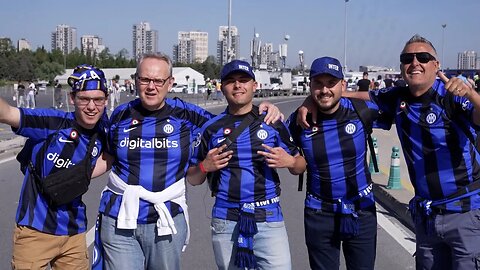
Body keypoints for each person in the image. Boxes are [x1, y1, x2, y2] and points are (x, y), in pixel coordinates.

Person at [299, 34, 480, 270]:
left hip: (464, 214)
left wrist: (472, 95)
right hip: (426, 216)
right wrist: (314, 98)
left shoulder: (451, 96)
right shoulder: (397, 98)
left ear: (436, 65)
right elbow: (364, 97)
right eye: (408, 58)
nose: (415, 63)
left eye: (423, 57)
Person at [92, 53, 282, 270]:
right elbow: (106, 157)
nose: (151, 87)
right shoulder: (120, 115)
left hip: (166, 219)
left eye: (158, 81)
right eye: (145, 80)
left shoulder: (187, 114)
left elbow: (231, 121)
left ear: (170, 82)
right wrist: (73, 175)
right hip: (119, 218)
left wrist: (262, 108)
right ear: (136, 80)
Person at [187, 60, 306, 270]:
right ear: (222, 87)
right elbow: (193, 178)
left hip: (268, 217)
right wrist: (206, 166)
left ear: (255, 86)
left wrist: (289, 161)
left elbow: (300, 165)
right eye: (231, 81)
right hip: (226, 219)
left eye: (243, 80)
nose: (237, 85)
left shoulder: (272, 122)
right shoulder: (210, 128)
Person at [2, 65, 109, 269]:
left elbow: (115, 156)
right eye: (84, 99)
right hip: (34, 233)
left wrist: (82, 174)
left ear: (105, 101)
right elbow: (7, 113)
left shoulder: (104, 133)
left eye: (98, 100)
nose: (91, 106)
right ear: (72, 99)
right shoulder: (52, 122)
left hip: (74, 234)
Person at [288, 57, 384, 270]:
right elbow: (267, 130)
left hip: (362, 210)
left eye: (331, 83)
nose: (324, 90)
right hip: (319, 214)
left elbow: (403, 103)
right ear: (310, 86)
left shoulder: (362, 111)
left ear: (343, 85)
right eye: (318, 84)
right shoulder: (299, 120)